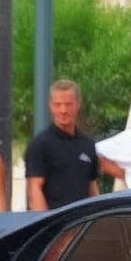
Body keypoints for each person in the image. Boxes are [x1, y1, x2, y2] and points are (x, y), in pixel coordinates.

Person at [24, 79, 99, 210]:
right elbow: (34, 189)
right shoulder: (39, 144)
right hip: (55, 223)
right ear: (50, 105)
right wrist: (46, 226)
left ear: (78, 104)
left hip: (83, 223)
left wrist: (98, 217)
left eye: (68, 104)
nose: (63, 110)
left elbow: (92, 187)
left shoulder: (88, 144)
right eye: (58, 105)